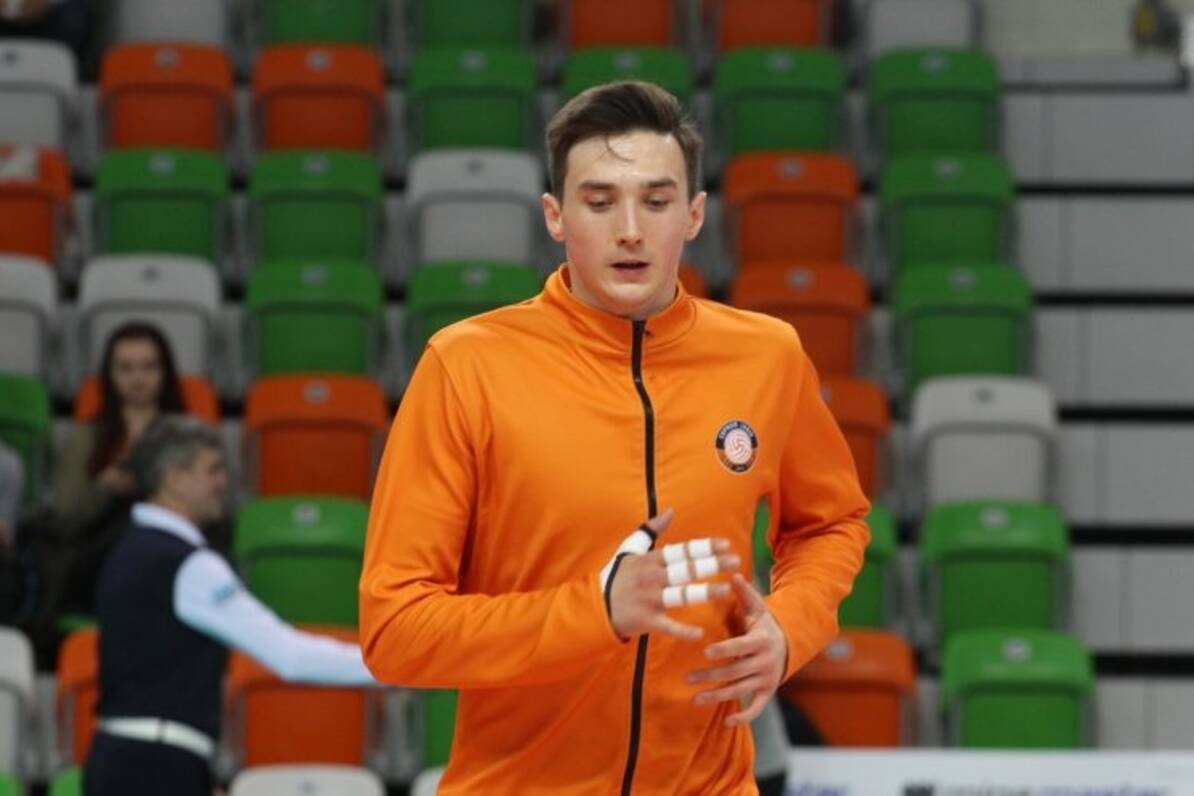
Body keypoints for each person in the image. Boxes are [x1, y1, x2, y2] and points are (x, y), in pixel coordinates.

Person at [359, 81, 870, 793]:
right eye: (599, 202)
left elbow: (831, 523)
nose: (630, 229)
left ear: (694, 215)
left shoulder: (768, 357)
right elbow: (395, 630)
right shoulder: (466, 366)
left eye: (656, 202)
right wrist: (594, 612)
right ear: (556, 216)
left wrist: (790, 627)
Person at [83, 416, 376, 796]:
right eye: (213, 470)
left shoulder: (126, 549)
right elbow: (290, 655)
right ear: (174, 478)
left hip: (122, 759)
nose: (223, 483)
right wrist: (398, 665)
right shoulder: (187, 564)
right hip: (156, 766)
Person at [49, 322, 187, 616]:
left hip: (172, 558)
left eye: (148, 367)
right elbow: (65, 515)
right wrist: (104, 487)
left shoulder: (188, 437)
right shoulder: (87, 437)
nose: (138, 378)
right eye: (125, 368)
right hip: (102, 562)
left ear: (165, 373)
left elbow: (214, 510)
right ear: (110, 375)